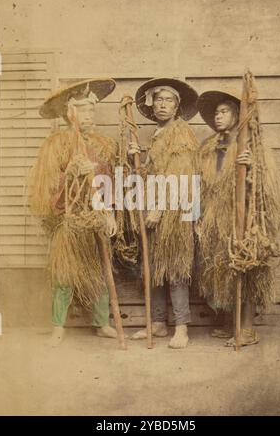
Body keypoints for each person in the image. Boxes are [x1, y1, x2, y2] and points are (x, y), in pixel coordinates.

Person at [29, 79, 119, 347]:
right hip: (68, 219)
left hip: (96, 218)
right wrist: (70, 174)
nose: (89, 116)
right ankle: (58, 326)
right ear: (71, 113)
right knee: (64, 275)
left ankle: (102, 323)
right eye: (84, 111)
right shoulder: (55, 144)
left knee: (100, 272)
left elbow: (108, 184)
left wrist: (110, 214)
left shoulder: (104, 145)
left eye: (93, 111)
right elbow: (46, 185)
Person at [197, 89, 280, 347]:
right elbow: (200, 183)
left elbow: (265, 186)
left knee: (244, 267)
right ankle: (227, 321)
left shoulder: (252, 147)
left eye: (224, 111)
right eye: (216, 112)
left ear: (238, 115)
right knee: (220, 267)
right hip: (214, 216)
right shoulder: (209, 147)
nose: (218, 116)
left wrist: (251, 167)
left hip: (243, 217)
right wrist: (199, 217)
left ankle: (245, 328)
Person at [129, 78, 199, 348]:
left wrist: (159, 208)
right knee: (155, 269)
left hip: (175, 211)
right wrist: (135, 157)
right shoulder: (158, 135)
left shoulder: (180, 132)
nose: (162, 104)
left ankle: (181, 328)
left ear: (177, 106)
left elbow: (179, 174)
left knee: (175, 269)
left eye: (168, 100)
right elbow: (151, 174)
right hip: (155, 210)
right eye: (158, 99)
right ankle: (158, 323)